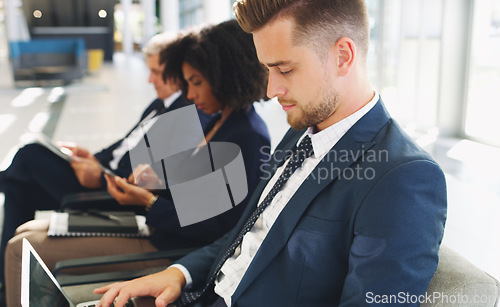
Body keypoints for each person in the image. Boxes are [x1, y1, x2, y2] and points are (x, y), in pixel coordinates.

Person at [94, 1, 448, 306]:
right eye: (266, 69)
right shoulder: (298, 135)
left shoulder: (403, 177)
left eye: (285, 69)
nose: (271, 89)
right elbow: (244, 235)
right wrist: (178, 274)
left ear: (343, 56)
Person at [4, 19, 270, 307]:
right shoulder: (221, 122)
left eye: (196, 82)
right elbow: (198, 198)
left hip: (170, 248)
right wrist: (155, 182)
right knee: (24, 232)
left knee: (21, 247)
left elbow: (216, 227)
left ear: (225, 76)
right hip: (157, 230)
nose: (190, 95)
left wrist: (147, 202)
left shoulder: (246, 137)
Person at [0, 33, 211, 286]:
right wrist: (92, 157)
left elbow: (140, 176)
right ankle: (4, 279)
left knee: (29, 154)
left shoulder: (184, 114)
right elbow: (123, 145)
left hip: (109, 190)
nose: (149, 79)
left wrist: (98, 176)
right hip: (103, 175)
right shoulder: (160, 104)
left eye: (156, 71)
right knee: (17, 188)